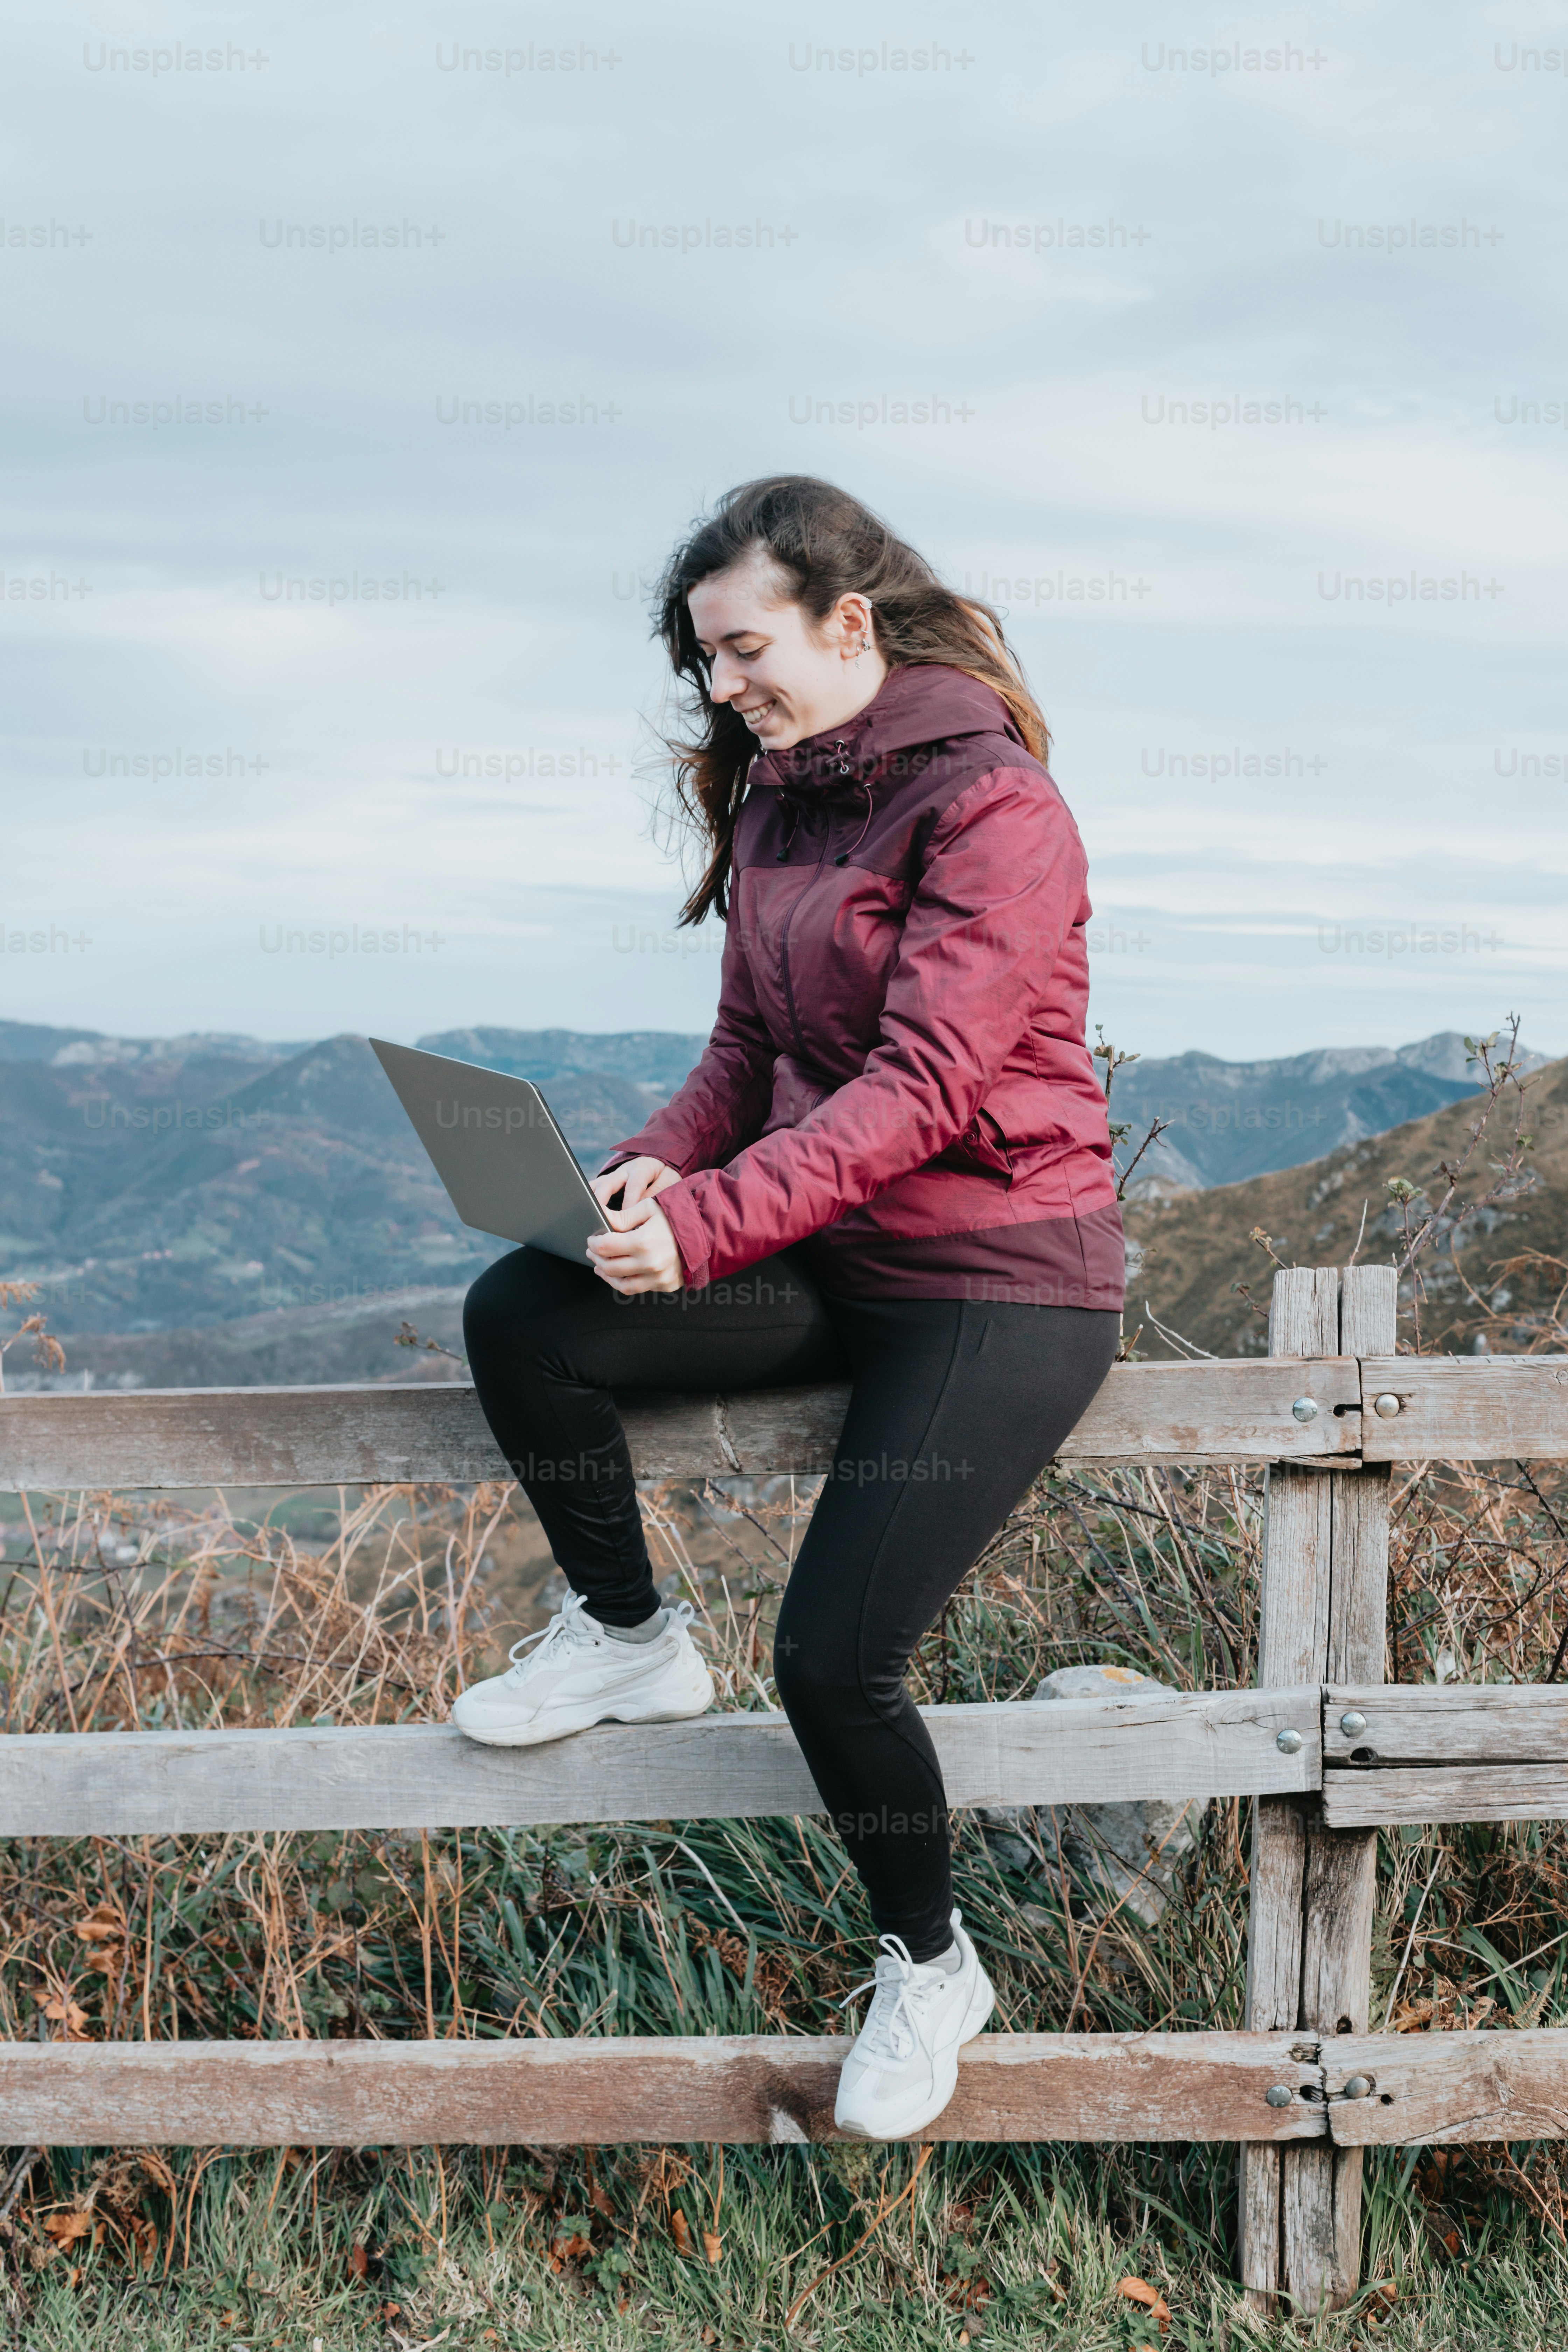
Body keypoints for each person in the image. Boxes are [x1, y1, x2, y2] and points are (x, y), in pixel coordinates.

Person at [455, 475, 1125, 2138]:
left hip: (998, 1278)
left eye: (744, 649)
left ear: (849, 623)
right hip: (833, 1246)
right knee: (524, 1309)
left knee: (833, 1656)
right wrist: (649, 1178)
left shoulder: (996, 812)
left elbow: (921, 1084)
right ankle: (625, 1637)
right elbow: (748, 1054)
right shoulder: (772, 800)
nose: (721, 686)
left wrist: (721, 1223)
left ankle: (928, 1965)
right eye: (703, 662)